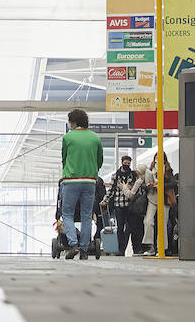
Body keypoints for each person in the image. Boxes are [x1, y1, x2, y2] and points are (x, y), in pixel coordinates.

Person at [59, 109, 103, 261]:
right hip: (90, 181)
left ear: (74, 122)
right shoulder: (95, 138)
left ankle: (73, 244)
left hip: (71, 180)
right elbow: (100, 160)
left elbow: (64, 158)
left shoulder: (68, 137)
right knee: (86, 216)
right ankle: (84, 249)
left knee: (67, 214)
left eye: (70, 122)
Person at [104, 155, 144, 256]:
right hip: (118, 204)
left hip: (130, 205)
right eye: (125, 163)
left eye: (128, 164)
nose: (126, 165)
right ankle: (121, 250)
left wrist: (126, 188)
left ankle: (127, 248)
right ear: (121, 162)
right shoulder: (115, 175)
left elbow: (135, 189)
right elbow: (111, 190)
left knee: (130, 227)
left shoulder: (133, 175)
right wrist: (105, 200)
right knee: (120, 228)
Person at [143, 154, 176, 256]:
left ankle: (162, 247)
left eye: (160, 157)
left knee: (163, 223)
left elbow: (173, 183)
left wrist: (161, 185)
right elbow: (144, 184)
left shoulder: (168, 169)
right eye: (156, 157)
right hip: (152, 197)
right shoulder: (150, 170)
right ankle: (150, 246)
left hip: (164, 199)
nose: (158, 159)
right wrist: (149, 186)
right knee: (148, 221)